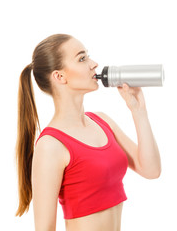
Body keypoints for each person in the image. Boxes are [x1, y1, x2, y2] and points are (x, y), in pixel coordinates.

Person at [15, 34, 161, 231]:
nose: (94, 64)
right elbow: (44, 228)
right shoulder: (51, 145)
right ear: (59, 76)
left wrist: (139, 111)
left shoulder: (103, 121)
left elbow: (151, 170)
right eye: (82, 58)